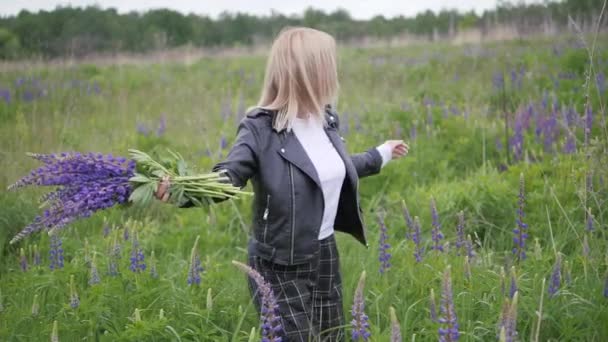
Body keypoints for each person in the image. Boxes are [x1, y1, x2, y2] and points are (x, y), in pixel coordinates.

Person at [156, 26, 408, 341]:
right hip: (278, 261)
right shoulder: (260, 128)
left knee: (333, 336)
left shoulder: (325, 120)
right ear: (309, 73)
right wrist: (183, 190)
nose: (334, 72)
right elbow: (229, 175)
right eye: (328, 64)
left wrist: (380, 154)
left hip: (324, 251)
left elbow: (331, 169)